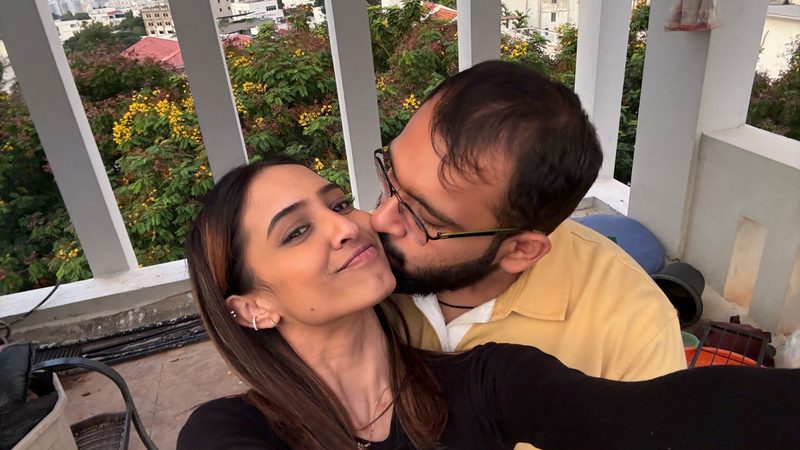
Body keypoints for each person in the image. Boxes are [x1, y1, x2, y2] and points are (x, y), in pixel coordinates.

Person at [178, 158, 800, 450]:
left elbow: (656, 418)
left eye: (338, 203)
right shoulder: (226, 431)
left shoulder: (489, 381)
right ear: (252, 308)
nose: (349, 225)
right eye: (296, 231)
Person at [370, 60, 686, 381]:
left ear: (520, 250)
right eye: (389, 173)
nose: (380, 219)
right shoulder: (357, 260)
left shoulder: (635, 332)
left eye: (423, 218)